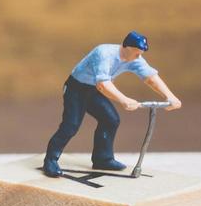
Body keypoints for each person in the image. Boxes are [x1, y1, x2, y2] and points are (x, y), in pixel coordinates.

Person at [42, 31, 181, 178]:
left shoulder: (134, 58)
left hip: (94, 91)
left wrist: (170, 96)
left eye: (140, 54)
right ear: (126, 47)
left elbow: (150, 77)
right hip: (76, 89)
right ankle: (50, 160)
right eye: (136, 53)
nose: (138, 57)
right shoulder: (104, 53)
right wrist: (124, 100)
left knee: (110, 120)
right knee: (71, 125)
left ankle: (103, 159)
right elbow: (103, 85)